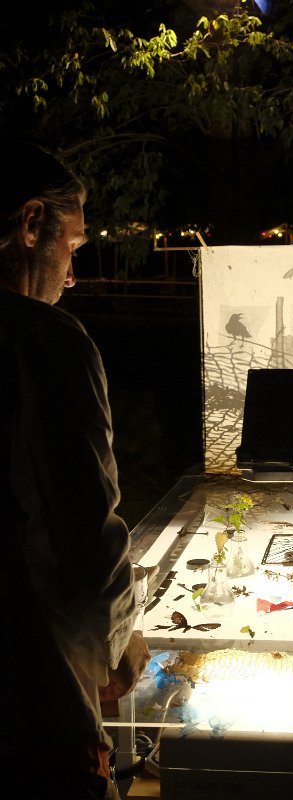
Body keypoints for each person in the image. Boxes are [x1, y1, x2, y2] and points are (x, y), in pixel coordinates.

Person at [0, 139, 151, 799]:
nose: (72, 276)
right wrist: (118, 643)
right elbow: (81, 548)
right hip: (33, 719)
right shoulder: (39, 339)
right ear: (32, 224)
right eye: (74, 246)